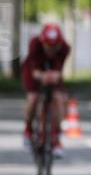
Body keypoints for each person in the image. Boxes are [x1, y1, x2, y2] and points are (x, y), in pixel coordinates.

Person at [22, 23, 71, 159]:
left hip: (52, 71)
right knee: (33, 98)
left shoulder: (65, 48)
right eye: (48, 46)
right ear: (42, 42)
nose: (51, 49)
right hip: (34, 71)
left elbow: (59, 70)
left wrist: (55, 76)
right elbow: (34, 72)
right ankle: (28, 129)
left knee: (59, 99)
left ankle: (56, 137)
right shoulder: (34, 44)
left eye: (55, 46)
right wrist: (42, 76)